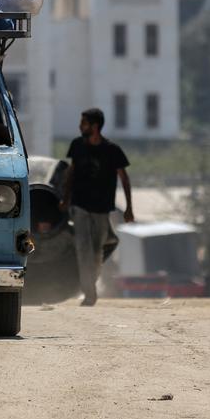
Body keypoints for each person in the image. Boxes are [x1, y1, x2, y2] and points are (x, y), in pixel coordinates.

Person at [61, 107, 133, 306]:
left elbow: (124, 179)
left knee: (96, 252)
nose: (79, 126)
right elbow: (71, 173)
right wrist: (65, 199)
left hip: (102, 208)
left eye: (83, 123)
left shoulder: (112, 150)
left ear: (94, 126)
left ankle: (90, 286)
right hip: (80, 206)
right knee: (83, 249)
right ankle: (89, 293)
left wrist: (129, 208)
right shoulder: (77, 145)